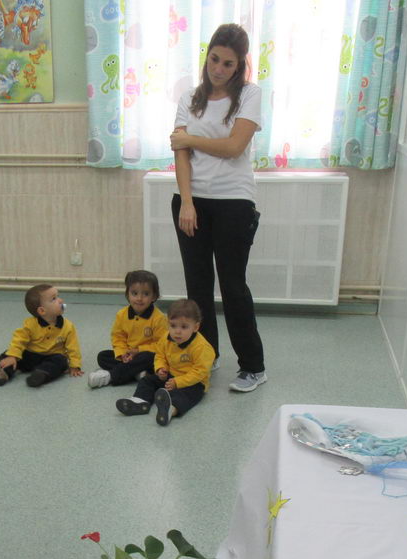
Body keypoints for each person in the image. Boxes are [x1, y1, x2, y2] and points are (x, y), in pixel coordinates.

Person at [170, 22, 266, 394]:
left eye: (228, 64)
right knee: (197, 286)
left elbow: (234, 147)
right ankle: (205, 355)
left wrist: (190, 138)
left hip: (234, 202)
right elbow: (181, 156)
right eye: (214, 60)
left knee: (232, 285)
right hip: (191, 202)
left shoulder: (249, 95)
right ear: (206, 56)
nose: (219, 69)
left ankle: (253, 367)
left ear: (240, 66)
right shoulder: (188, 99)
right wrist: (187, 203)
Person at [116, 299, 215, 426]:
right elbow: (160, 355)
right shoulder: (166, 338)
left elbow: (199, 372)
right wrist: (160, 369)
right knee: (147, 381)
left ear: (196, 327)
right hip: (171, 375)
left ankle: (170, 410)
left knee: (186, 395)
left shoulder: (202, 347)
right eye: (173, 326)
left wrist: (178, 382)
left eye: (184, 327)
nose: (177, 331)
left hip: (194, 382)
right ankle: (140, 401)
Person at [0, 283, 83, 387]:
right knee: (8, 354)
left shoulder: (68, 326)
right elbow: (19, 340)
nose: (60, 300)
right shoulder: (30, 324)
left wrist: (75, 365)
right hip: (30, 355)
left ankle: (40, 375)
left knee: (61, 361)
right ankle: (2, 373)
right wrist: (13, 356)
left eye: (58, 296)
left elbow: (73, 347)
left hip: (52, 357)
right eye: (54, 299)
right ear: (42, 311)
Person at [88, 270, 168, 389]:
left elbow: (162, 346)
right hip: (128, 355)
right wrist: (122, 353)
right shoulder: (122, 314)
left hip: (146, 356)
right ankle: (136, 373)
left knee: (148, 358)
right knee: (102, 356)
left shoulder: (159, 318)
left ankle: (110, 376)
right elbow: (118, 337)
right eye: (134, 293)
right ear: (127, 294)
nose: (139, 298)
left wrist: (139, 350)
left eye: (145, 294)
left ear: (154, 296)